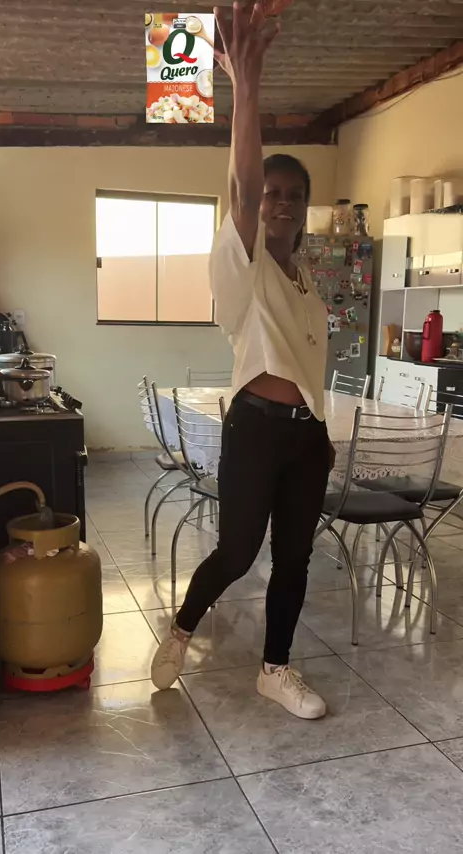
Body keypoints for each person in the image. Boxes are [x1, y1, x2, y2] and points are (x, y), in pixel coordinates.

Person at [151, 0, 334, 719]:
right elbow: (244, 185)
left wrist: (320, 428)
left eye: (295, 196)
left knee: (295, 559)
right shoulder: (244, 267)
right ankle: (182, 627)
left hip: (308, 436)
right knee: (237, 552)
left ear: (306, 208)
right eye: (274, 195)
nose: (281, 203)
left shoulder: (306, 277)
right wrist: (246, 87)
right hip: (254, 430)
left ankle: (275, 670)